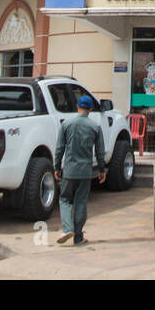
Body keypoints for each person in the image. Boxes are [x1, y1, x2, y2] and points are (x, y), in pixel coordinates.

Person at [54, 95, 107, 246]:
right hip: (85, 171)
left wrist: (57, 167)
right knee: (81, 202)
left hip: (69, 170)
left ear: (77, 106)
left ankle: (67, 228)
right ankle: (78, 237)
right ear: (90, 109)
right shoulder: (95, 127)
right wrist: (102, 170)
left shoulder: (66, 124)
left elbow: (59, 148)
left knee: (64, 199)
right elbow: (100, 151)